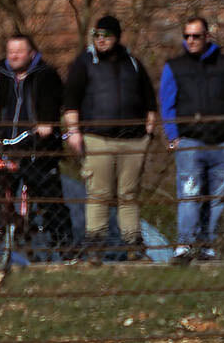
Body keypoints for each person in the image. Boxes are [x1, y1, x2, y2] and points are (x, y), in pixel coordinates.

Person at [0, 33, 72, 255]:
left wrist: (46, 123)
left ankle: (65, 245)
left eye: (19, 52)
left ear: (31, 53)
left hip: (36, 146)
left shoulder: (46, 75)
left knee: (48, 193)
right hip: (5, 142)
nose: (14, 56)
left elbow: (51, 101)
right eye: (11, 52)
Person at [61, 14, 157, 261]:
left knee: (128, 195)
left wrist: (148, 133)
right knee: (98, 194)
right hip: (98, 138)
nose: (101, 40)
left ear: (117, 37)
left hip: (133, 141)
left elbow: (150, 100)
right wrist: (74, 132)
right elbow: (71, 101)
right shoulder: (84, 63)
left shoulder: (133, 63)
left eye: (106, 35)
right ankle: (95, 245)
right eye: (97, 35)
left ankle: (134, 246)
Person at [158, 16, 224, 263]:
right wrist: (173, 136)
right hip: (190, 140)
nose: (191, 41)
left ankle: (207, 245)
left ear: (207, 36)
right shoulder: (175, 66)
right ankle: (185, 244)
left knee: (218, 197)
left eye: (196, 36)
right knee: (189, 194)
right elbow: (167, 103)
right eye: (187, 36)